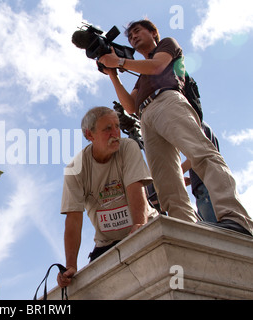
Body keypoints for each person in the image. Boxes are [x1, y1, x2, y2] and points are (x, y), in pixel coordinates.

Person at [99, 19, 253, 236]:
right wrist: (113, 74)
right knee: (166, 182)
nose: (133, 37)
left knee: (202, 155)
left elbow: (158, 66)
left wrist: (120, 62)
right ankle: (190, 233)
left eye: (137, 31)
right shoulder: (141, 73)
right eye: (130, 36)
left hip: (168, 100)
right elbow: (130, 106)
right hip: (146, 116)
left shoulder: (166, 45)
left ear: (153, 32)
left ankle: (237, 219)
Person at [57, 107, 158, 288]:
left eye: (117, 126)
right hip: (106, 243)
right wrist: (70, 265)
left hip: (143, 226)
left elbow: (136, 189)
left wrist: (140, 229)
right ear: (90, 135)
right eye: (107, 129)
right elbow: (73, 218)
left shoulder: (128, 147)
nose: (115, 133)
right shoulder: (75, 169)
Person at [181, 121, 219, 223]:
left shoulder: (196, 124)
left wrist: (177, 173)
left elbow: (197, 153)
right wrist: (191, 180)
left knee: (213, 230)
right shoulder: (203, 127)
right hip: (204, 186)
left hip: (206, 187)